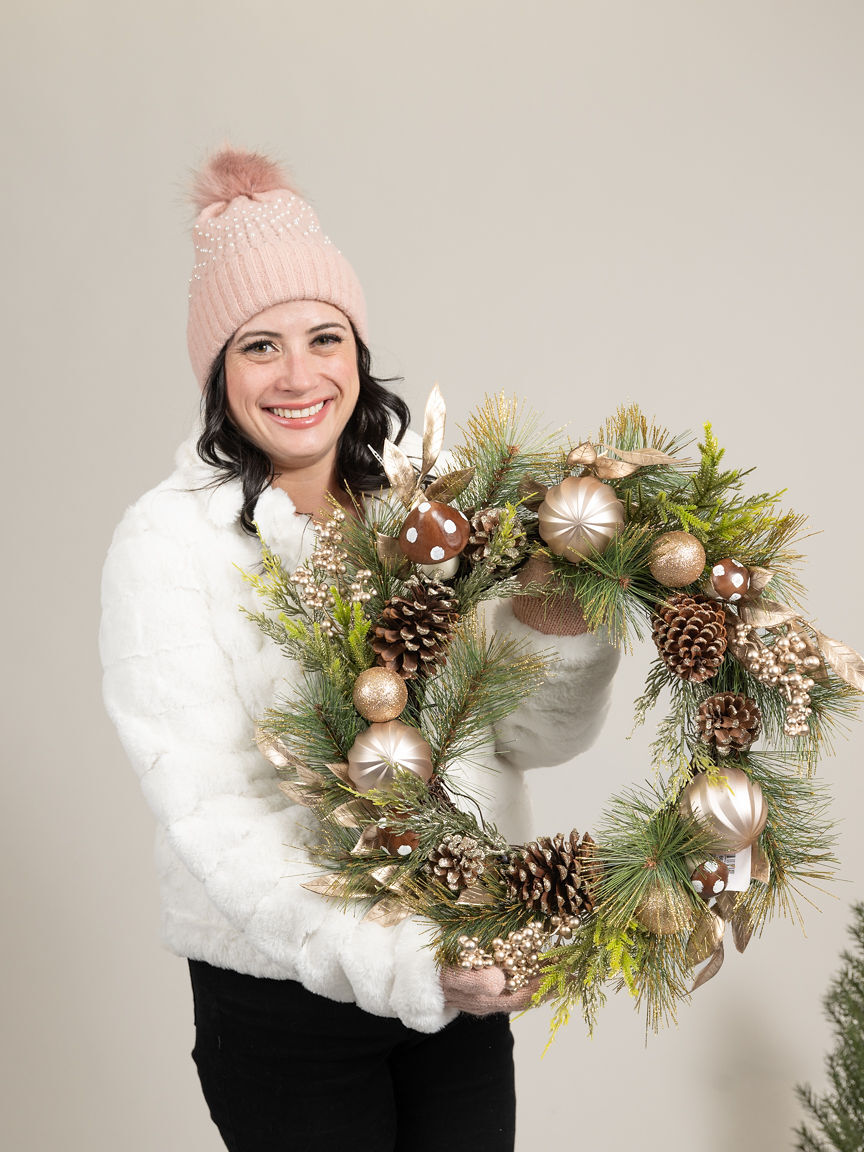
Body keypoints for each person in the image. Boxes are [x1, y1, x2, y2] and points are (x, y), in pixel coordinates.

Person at [100, 147, 620, 1152]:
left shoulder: (426, 517)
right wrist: (406, 963)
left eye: (323, 337)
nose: (299, 376)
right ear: (216, 372)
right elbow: (218, 816)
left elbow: (513, 740)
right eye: (259, 347)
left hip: (460, 978)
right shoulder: (167, 546)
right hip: (286, 998)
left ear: (358, 350)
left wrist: (555, 629)